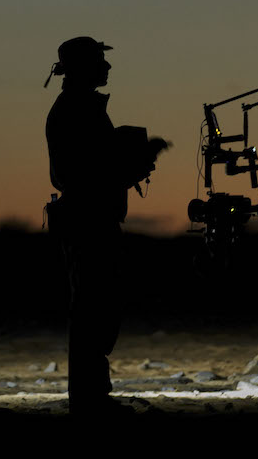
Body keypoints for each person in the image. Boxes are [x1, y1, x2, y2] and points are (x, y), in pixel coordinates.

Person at [44, 36, 168, 415]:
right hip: (89, 221)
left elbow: (93, 167)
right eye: (100, 60)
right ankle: (90, 400)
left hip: (89, 218)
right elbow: (85, 173)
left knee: (95, 309)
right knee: (92, 311)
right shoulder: (78, 109)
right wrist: (138, 160)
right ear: (84, 67)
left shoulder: (79, 107)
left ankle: (92, 395)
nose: (108, 67)